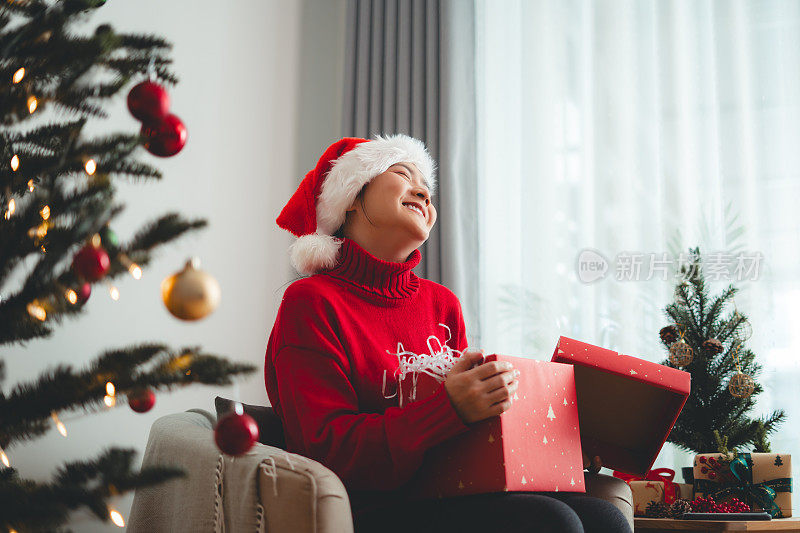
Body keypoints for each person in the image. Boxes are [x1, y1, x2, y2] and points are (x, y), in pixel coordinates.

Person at [264, 133, 631, 533]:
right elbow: (326, 452)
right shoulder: (312, 302)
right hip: (372, 510)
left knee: (604, 517)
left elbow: (464, 434)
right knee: (552, 522)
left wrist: (553, 445)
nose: (423, 191)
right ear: (351, 196)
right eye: (403, 173)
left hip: (449, 493)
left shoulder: (441, 304)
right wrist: (448, 409)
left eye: (427, 187)